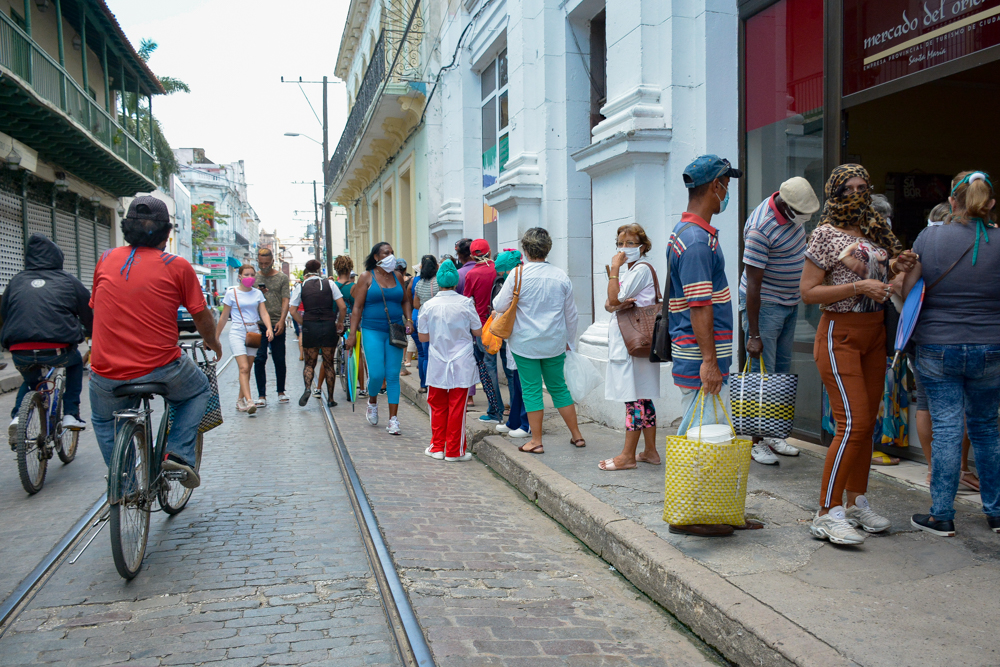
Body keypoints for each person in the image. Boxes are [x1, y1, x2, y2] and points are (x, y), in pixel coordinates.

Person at [800, 164, 917, 545]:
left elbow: (885, 278)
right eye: (848, 188)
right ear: (834, 192)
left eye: (863, 187)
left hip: (873, 336)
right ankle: (825, 511)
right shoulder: (824, 234)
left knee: (866, 425)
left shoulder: (873, 229)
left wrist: (899, 265)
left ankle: (855, 502)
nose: (856, 194)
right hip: (840, 333)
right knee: (852, 422)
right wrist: (858, 288)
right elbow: (808, 292)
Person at [89, 196, 222, 488]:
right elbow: (201, 317)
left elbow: (96, 307)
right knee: (198, 389)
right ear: (166, 233)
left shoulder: (106, 259)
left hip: (105, 371)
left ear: (126, 228)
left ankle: (125, 487)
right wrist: (212, 342)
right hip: (161, 366)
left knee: (103, 421)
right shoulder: (177, 266)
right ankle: (176, 452)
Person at [905, 171, 1000, 537]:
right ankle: (995, 512)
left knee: (946, 428)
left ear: (953, 202)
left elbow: (910, 288)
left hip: (938, 345)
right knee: (987, 429)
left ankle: (942, 515)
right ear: (989, 203)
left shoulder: (931, 236)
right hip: (991, 346)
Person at [666, 155, 742, 537]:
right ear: (716, 186)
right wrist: (710, 361)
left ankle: (712, 509)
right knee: (704, 439)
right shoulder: (696, 240)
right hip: (700, 359)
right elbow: (700, 305)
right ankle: (696, 514)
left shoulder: (692, 233)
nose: (727, 192)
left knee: (704, 434)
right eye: (727, 184)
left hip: (699, 356)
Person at [739, 176, 820, 465]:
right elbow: (753, 285)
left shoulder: (793, 211)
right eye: (801, 215)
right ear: (785, 206)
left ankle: (773, 435)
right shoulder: (761, 228)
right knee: (762, 377)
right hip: (766, 306)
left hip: (789, 302)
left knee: (780, 375)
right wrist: (754, 334)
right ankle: (755, 442)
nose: (805, 220)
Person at [492, 227, 585, 455]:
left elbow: (498, 306)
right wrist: (569, 341)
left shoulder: (517, 274)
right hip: (554, 342)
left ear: (525, 249)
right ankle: (577, 435)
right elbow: (571, 315)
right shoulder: (560, 275)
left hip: (525, 343)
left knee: (531, 390)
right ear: (548, 248)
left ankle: (536, 440)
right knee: (559, 389)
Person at [2, 234, 93, 444]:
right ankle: (71, 412)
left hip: (19, 349)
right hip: (57, 350)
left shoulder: (16, 281)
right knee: (75, 364)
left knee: (31, 381)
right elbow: (88, 311)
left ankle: (17, 417)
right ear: (56, 257)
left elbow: (6, 313)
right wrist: (91, 334)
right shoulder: (68, 280)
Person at [599, 223, 662, 471]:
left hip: (631, 345)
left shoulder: (638, 270)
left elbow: (613, 299)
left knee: (632, 400)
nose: (624, 249)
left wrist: (614, 269)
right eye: (620, 244)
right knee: (643, 397)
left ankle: (627, 456)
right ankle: (650, 451)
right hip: (638, 344)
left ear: (643, 246)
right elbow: (610, 304)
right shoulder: (635, 271)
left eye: (630, 244)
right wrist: (615, 302)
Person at [346, 242, 413, 435]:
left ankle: (393, 419)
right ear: (376, 257)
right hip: (372, 330)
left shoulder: (398, 276)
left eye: (392, 252)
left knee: (392, 375)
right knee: (376, 374)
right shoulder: (367, 277)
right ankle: (373, 401)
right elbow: (357, 308)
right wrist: (352, 334)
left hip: (395, 330)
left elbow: (405, 300)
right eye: (386, 253)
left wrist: (408, 319)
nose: (391, 256)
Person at [418, 260, 481, 462]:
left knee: (436, 404)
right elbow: (477, 331)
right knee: (457, 406)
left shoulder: (428, 306)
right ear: (456, 283)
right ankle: (454, 450)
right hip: (461, 359)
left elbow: (423, 337)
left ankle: (437, 446)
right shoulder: (466, 303)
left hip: (437, 359)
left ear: (439, 283)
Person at [216, 265, 274, 415]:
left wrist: (268, 328)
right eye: (246, 274)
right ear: (239, 276)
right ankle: (249, 401)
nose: (249, 277)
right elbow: (224, 317)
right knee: (243, 368)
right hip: (237, 331)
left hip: (253, 331)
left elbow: (264, 313)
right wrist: (215, 337)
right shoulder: (231, 293)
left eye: (252, 274)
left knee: (247, 368)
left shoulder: (257, 294)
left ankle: (239, 400)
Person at [291, 259, 345, 407]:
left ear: (306, 272)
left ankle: (308, 388)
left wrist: (303, 322)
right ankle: (331, 398)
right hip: (328, 326)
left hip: (310, 327)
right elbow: (342, 306)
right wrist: (339, 322)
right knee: (328, 364)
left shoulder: (301, 286)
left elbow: (292, 310)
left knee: (309, 363)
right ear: (319, 270)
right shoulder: (330, 284)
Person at [464, 239, 505, 425]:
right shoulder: (499, 268)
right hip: (504, 325)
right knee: (511, 370)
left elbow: (467, 302)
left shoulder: (471, 274)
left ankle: (495, 410)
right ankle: (515, 412)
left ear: (473, 256)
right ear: (489, 252)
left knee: (488, 369)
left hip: (483, 328)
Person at [491, 250, 530, 438]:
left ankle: (525, 422)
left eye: (502, 271)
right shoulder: (516, 275)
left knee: (524, 383)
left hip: (523, 337)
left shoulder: (516, 277)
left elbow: (498, 304)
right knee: (516, 381)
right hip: (515, 337)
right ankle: (514, 420)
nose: (501, 275)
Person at [252, 248, 290, 407]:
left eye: (266, 263)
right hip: (258, 324)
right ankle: (261, 395)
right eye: (260, 263)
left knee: (279, 358)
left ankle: (281, 391)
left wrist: (282, 320)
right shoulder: (253, 278)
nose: (263, 266)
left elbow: (285, 300)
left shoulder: (282, 277)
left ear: (273, 261)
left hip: (276, 322)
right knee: (259, 358)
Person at [411, 255, 440, 393]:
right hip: (436, 321)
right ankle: (435, 385)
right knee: (435, 354)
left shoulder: (418, 283)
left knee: (423, 354)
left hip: (422, 320)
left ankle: (423, 385)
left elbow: (416, 304)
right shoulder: (439, 282)